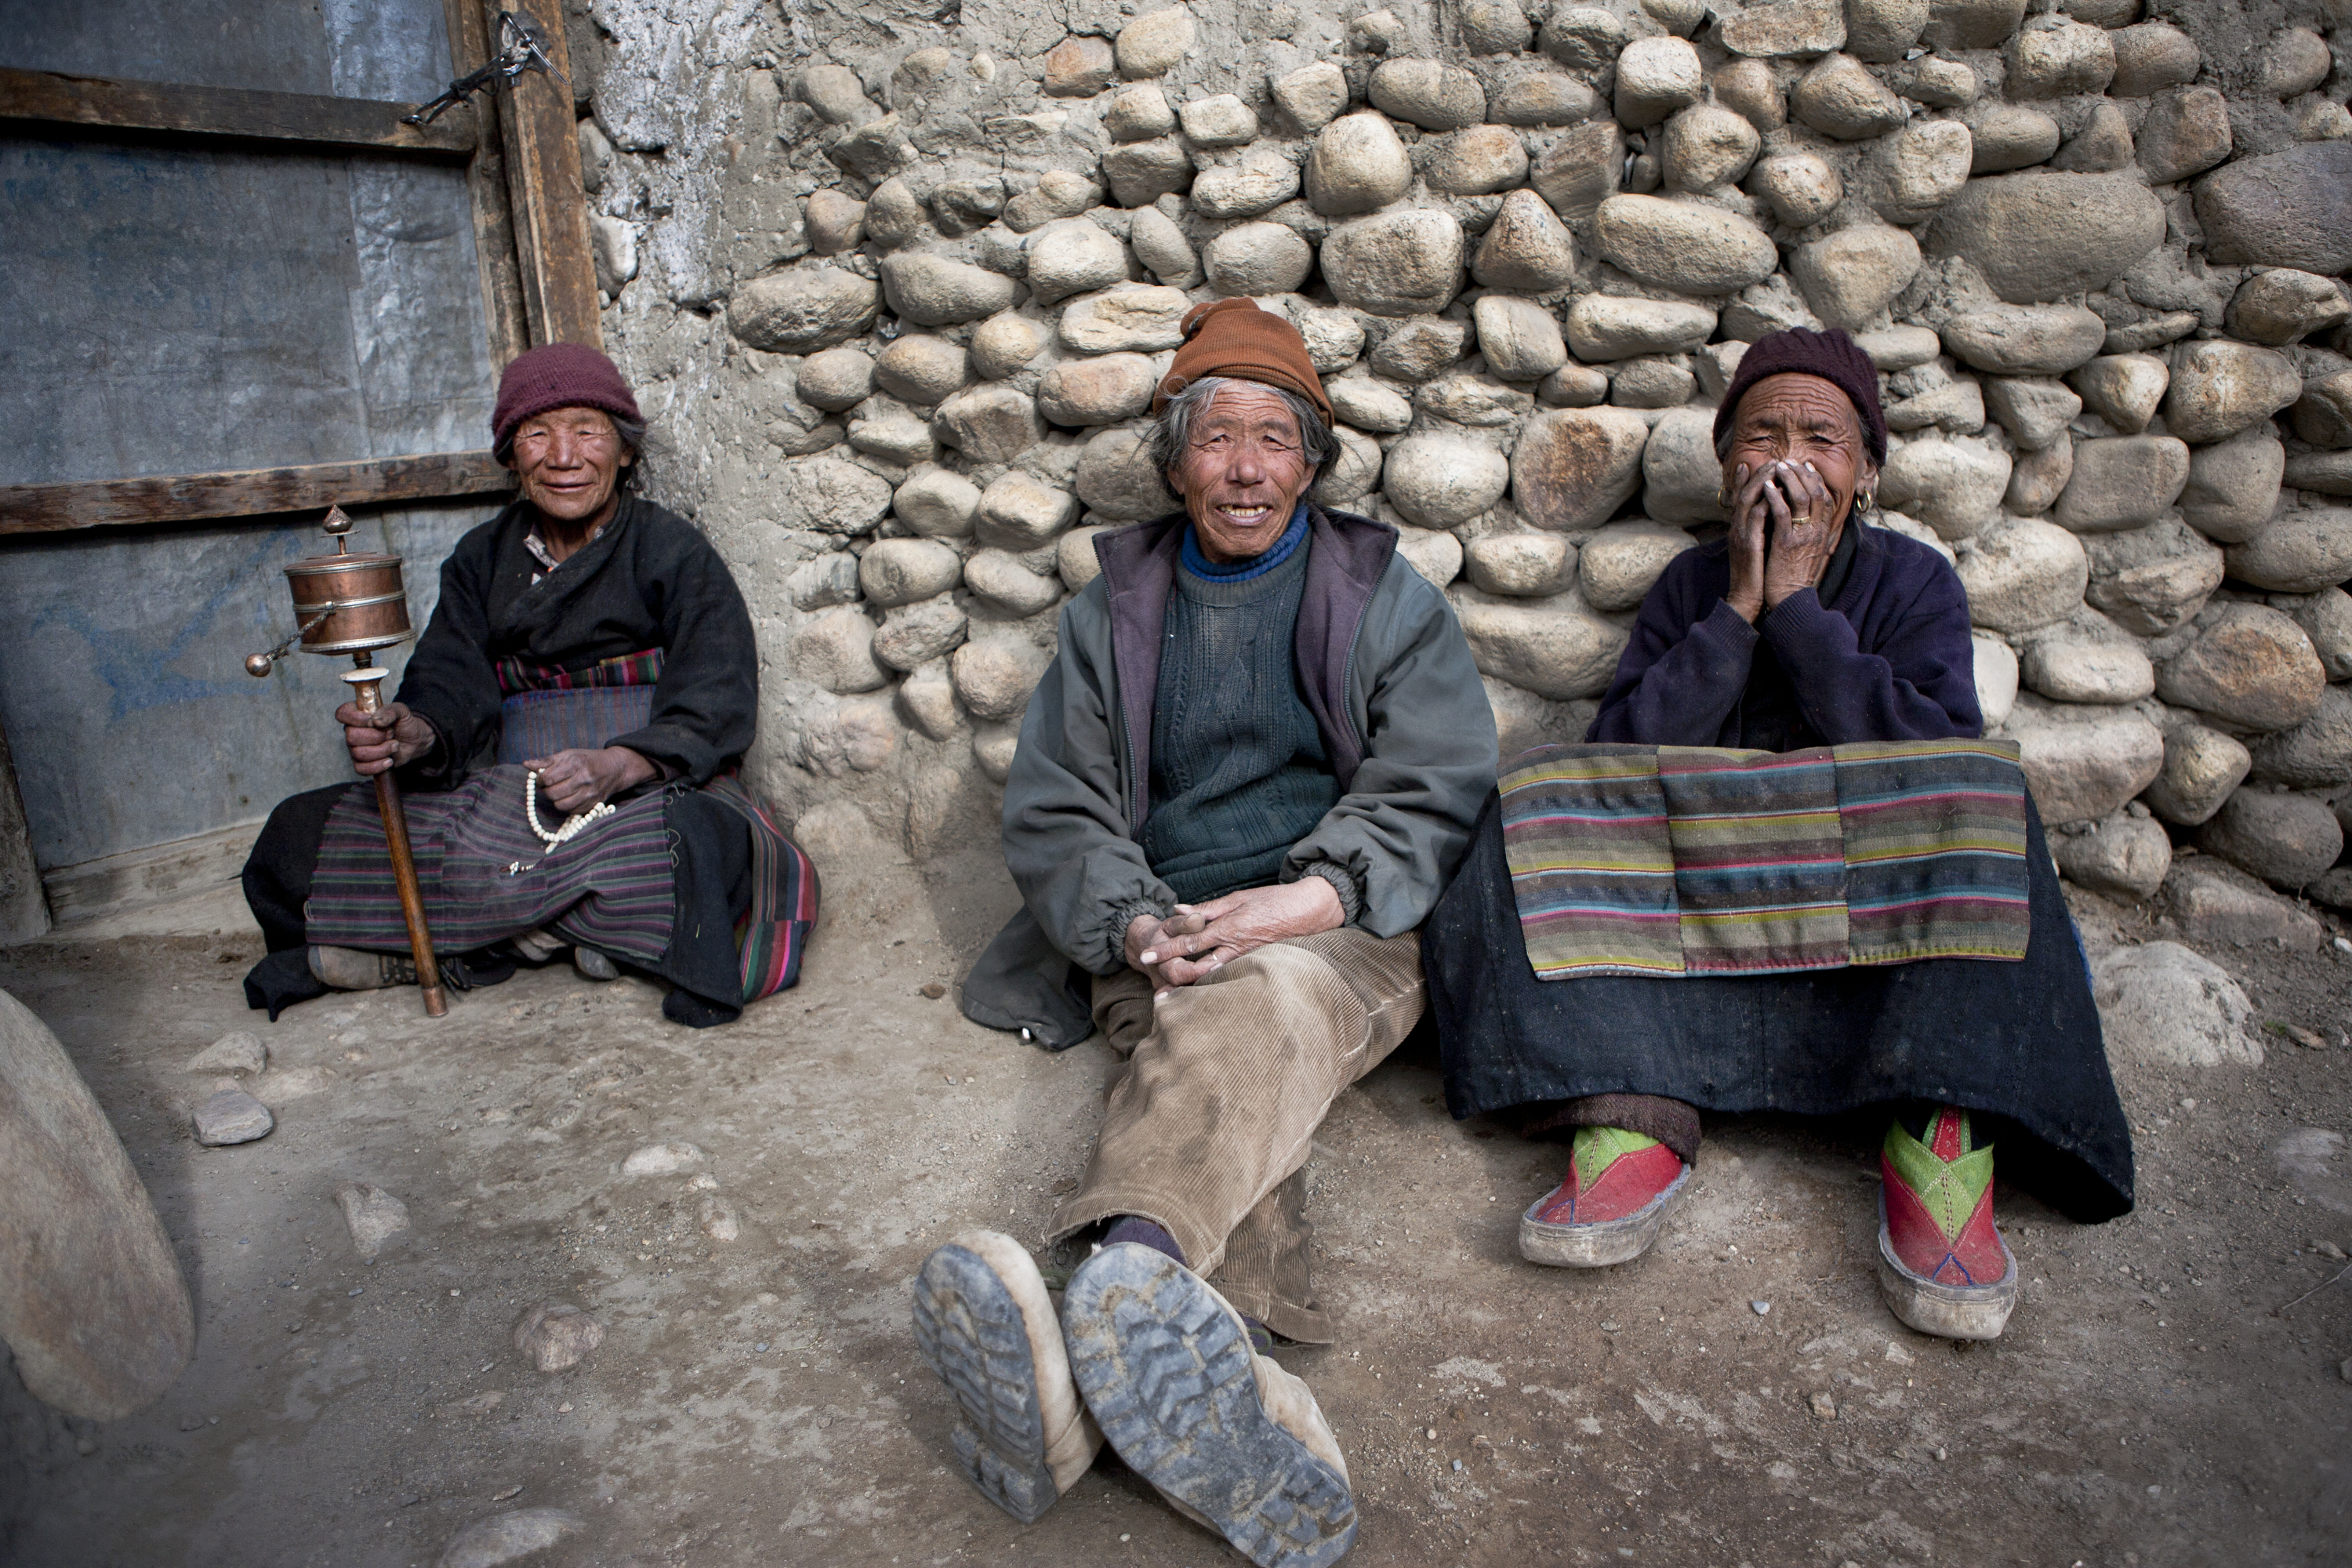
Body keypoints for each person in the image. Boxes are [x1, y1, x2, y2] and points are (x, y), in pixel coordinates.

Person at [911, 299, 1495, 1566]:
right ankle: (1198, 1382)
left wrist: (1313, 895)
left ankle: (1110, 1284)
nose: (1245, 468)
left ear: (1313, 460)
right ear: (1174, 462)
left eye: (1275, 440)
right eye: (1217, 438)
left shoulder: (1378, 596)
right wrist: (1130, 927)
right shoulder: (1110, 610)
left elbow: (1438, 778)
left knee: (1263, 1007)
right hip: (1161, 927)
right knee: (1226, 1050)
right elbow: (1058, 807)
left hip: (1333, 927)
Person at [1423, 327, 2133, 1342]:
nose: (1790, 462)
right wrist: (1742, 610)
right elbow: (1623, 759)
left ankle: (1935, 1133)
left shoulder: (1914, 583)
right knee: (1537, 809)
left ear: (1867, 474)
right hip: (1702, 908)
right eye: (1763, 436)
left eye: (1823, 440)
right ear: (1726, 466)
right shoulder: (1687, 587)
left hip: (1864, 923)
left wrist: (1801, 608)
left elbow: (1932, 758)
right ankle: (1632, 1103)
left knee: (1988, 806)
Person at [241, 343, 816, 1028]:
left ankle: (475, 936)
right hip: (508, 797)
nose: (564, 456)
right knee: (294, 837)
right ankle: (573, 930)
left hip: (637, 791)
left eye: (587, 430)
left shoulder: (674, 552)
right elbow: (448, 681)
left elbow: (716, 695)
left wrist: (617, 766)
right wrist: (411, 732)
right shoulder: (482, 558)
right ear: (512, 457)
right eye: (537, 434)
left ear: (625, 452)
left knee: (703, 842)